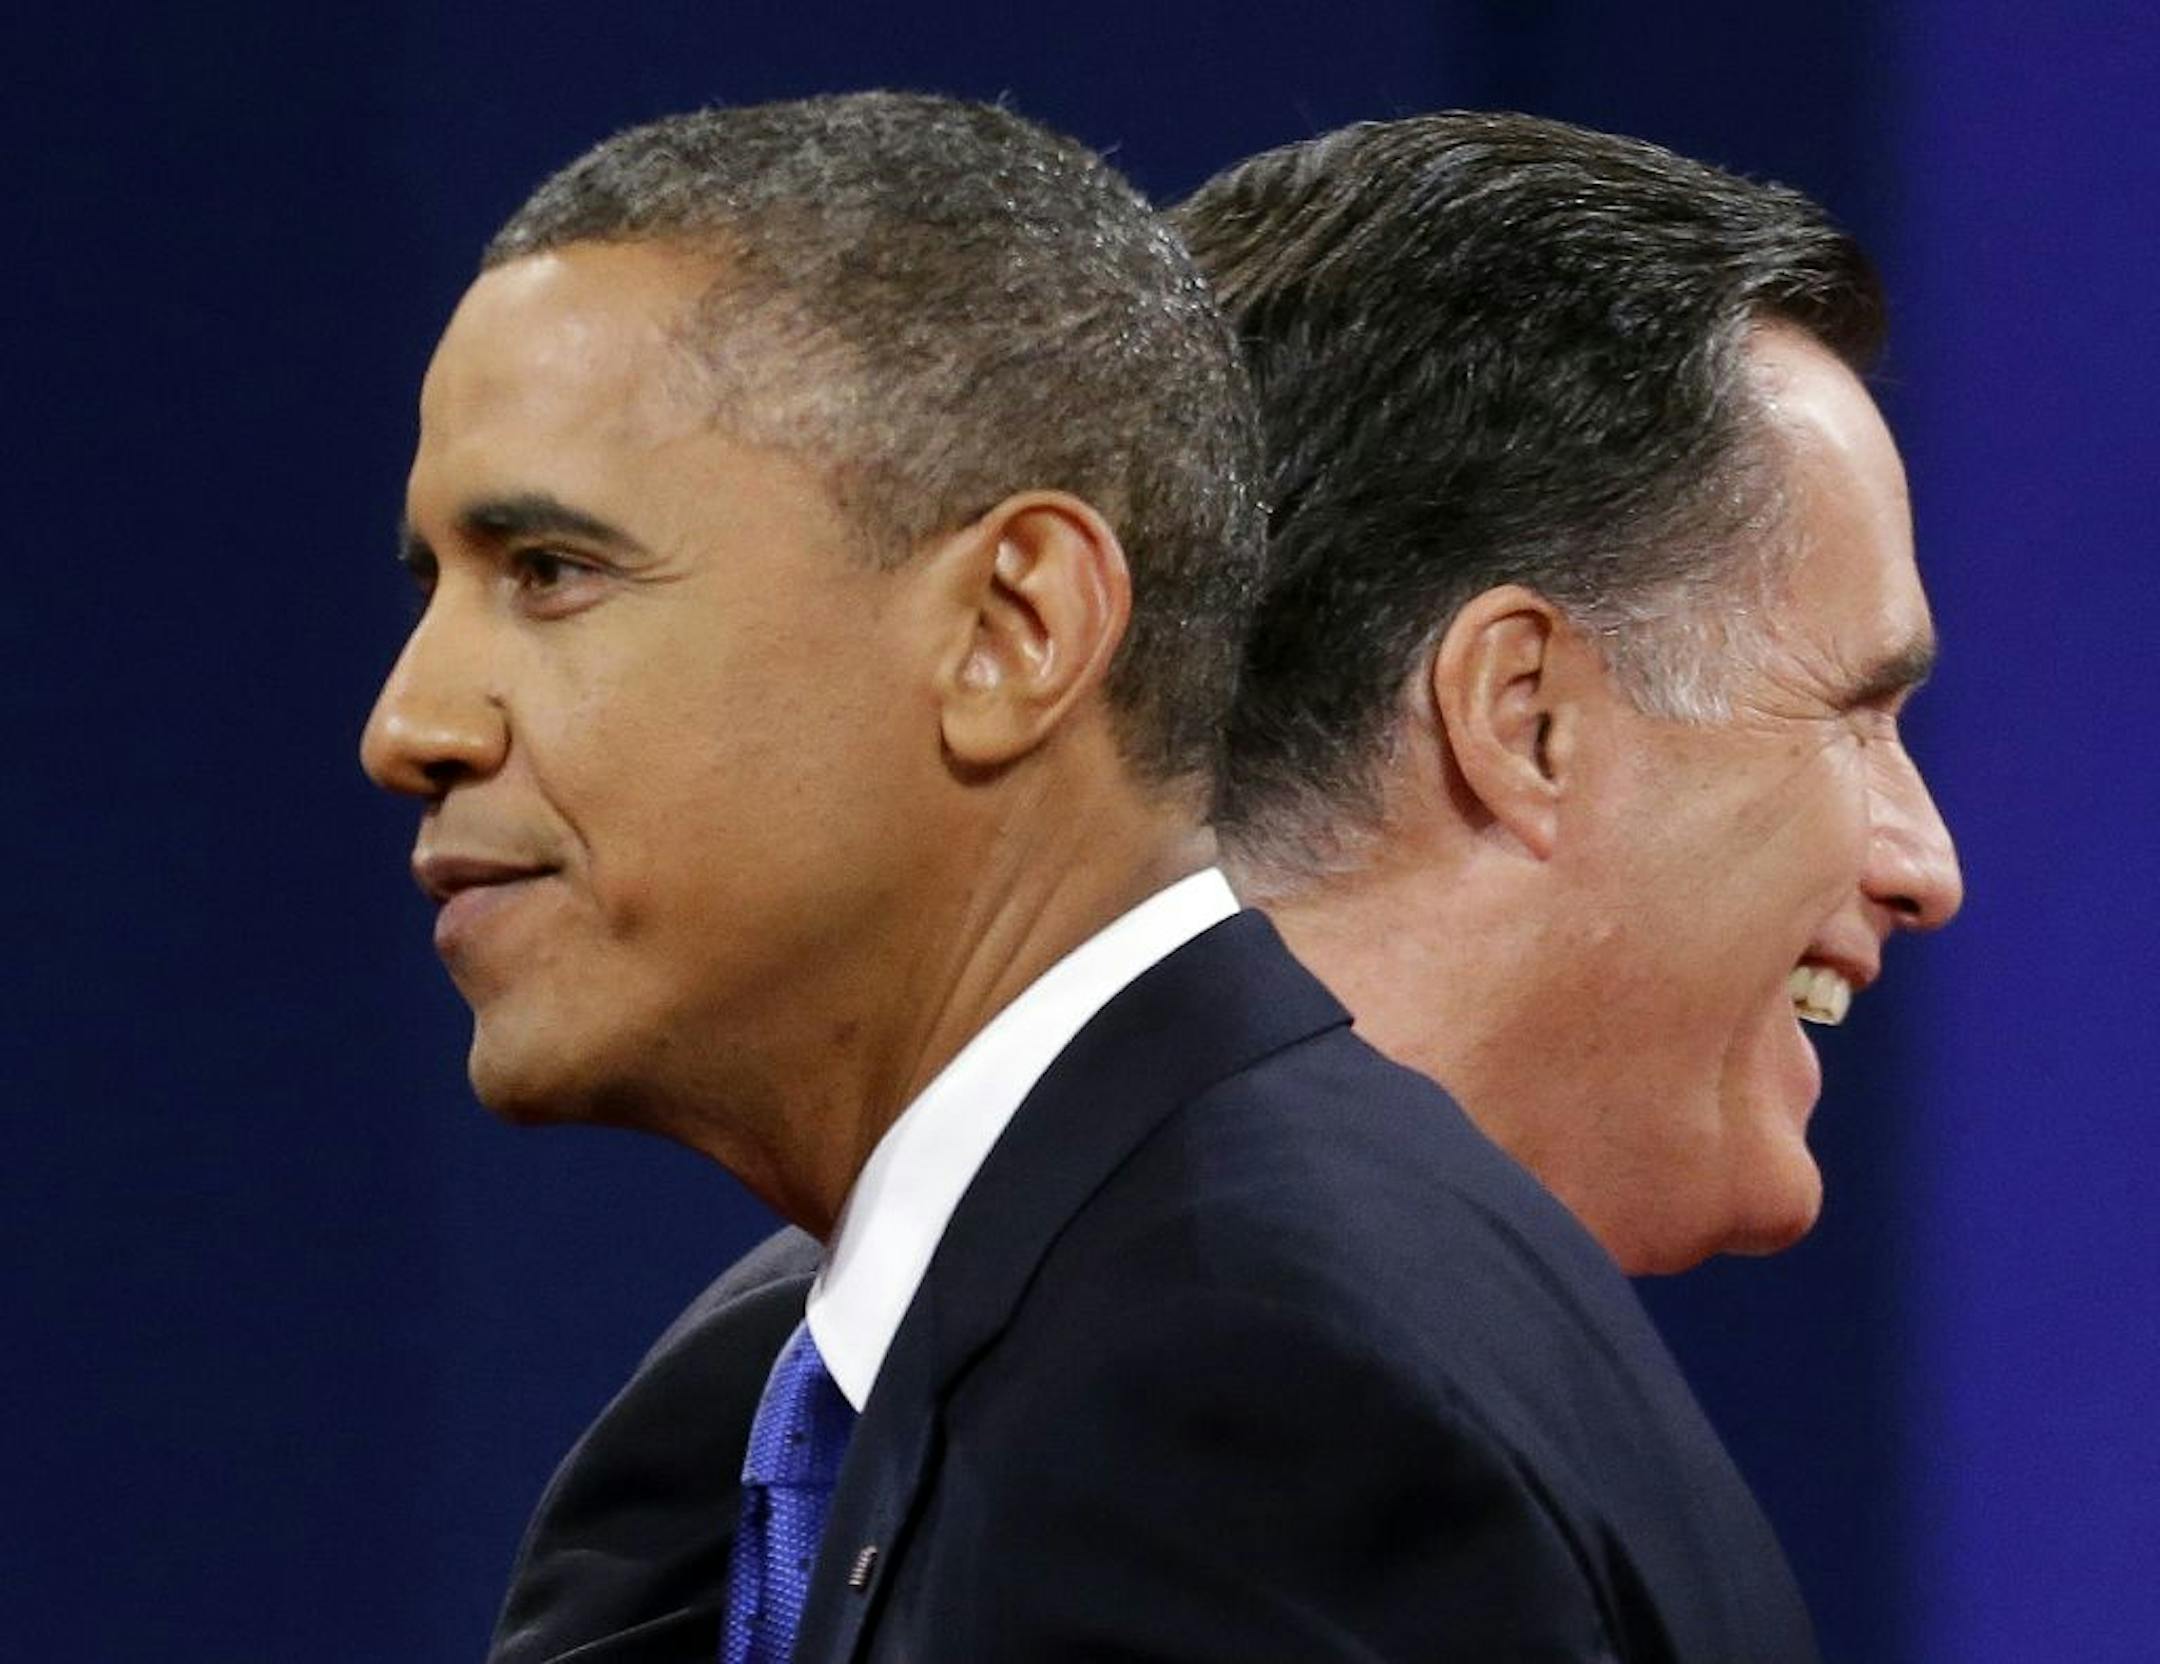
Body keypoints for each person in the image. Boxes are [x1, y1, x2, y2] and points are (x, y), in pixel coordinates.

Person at [369, 95, 1816, 1662]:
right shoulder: (798, 1384)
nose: (411, 725)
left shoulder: (1244, 1387)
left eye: (552, 574)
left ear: (1015, 630)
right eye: (437, 583)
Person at [1174, 111, 1964, 1275]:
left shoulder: (1023, 1291)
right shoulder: (1294, 1363)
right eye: (1853, 713)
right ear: (1524, 717)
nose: (1927, 869)